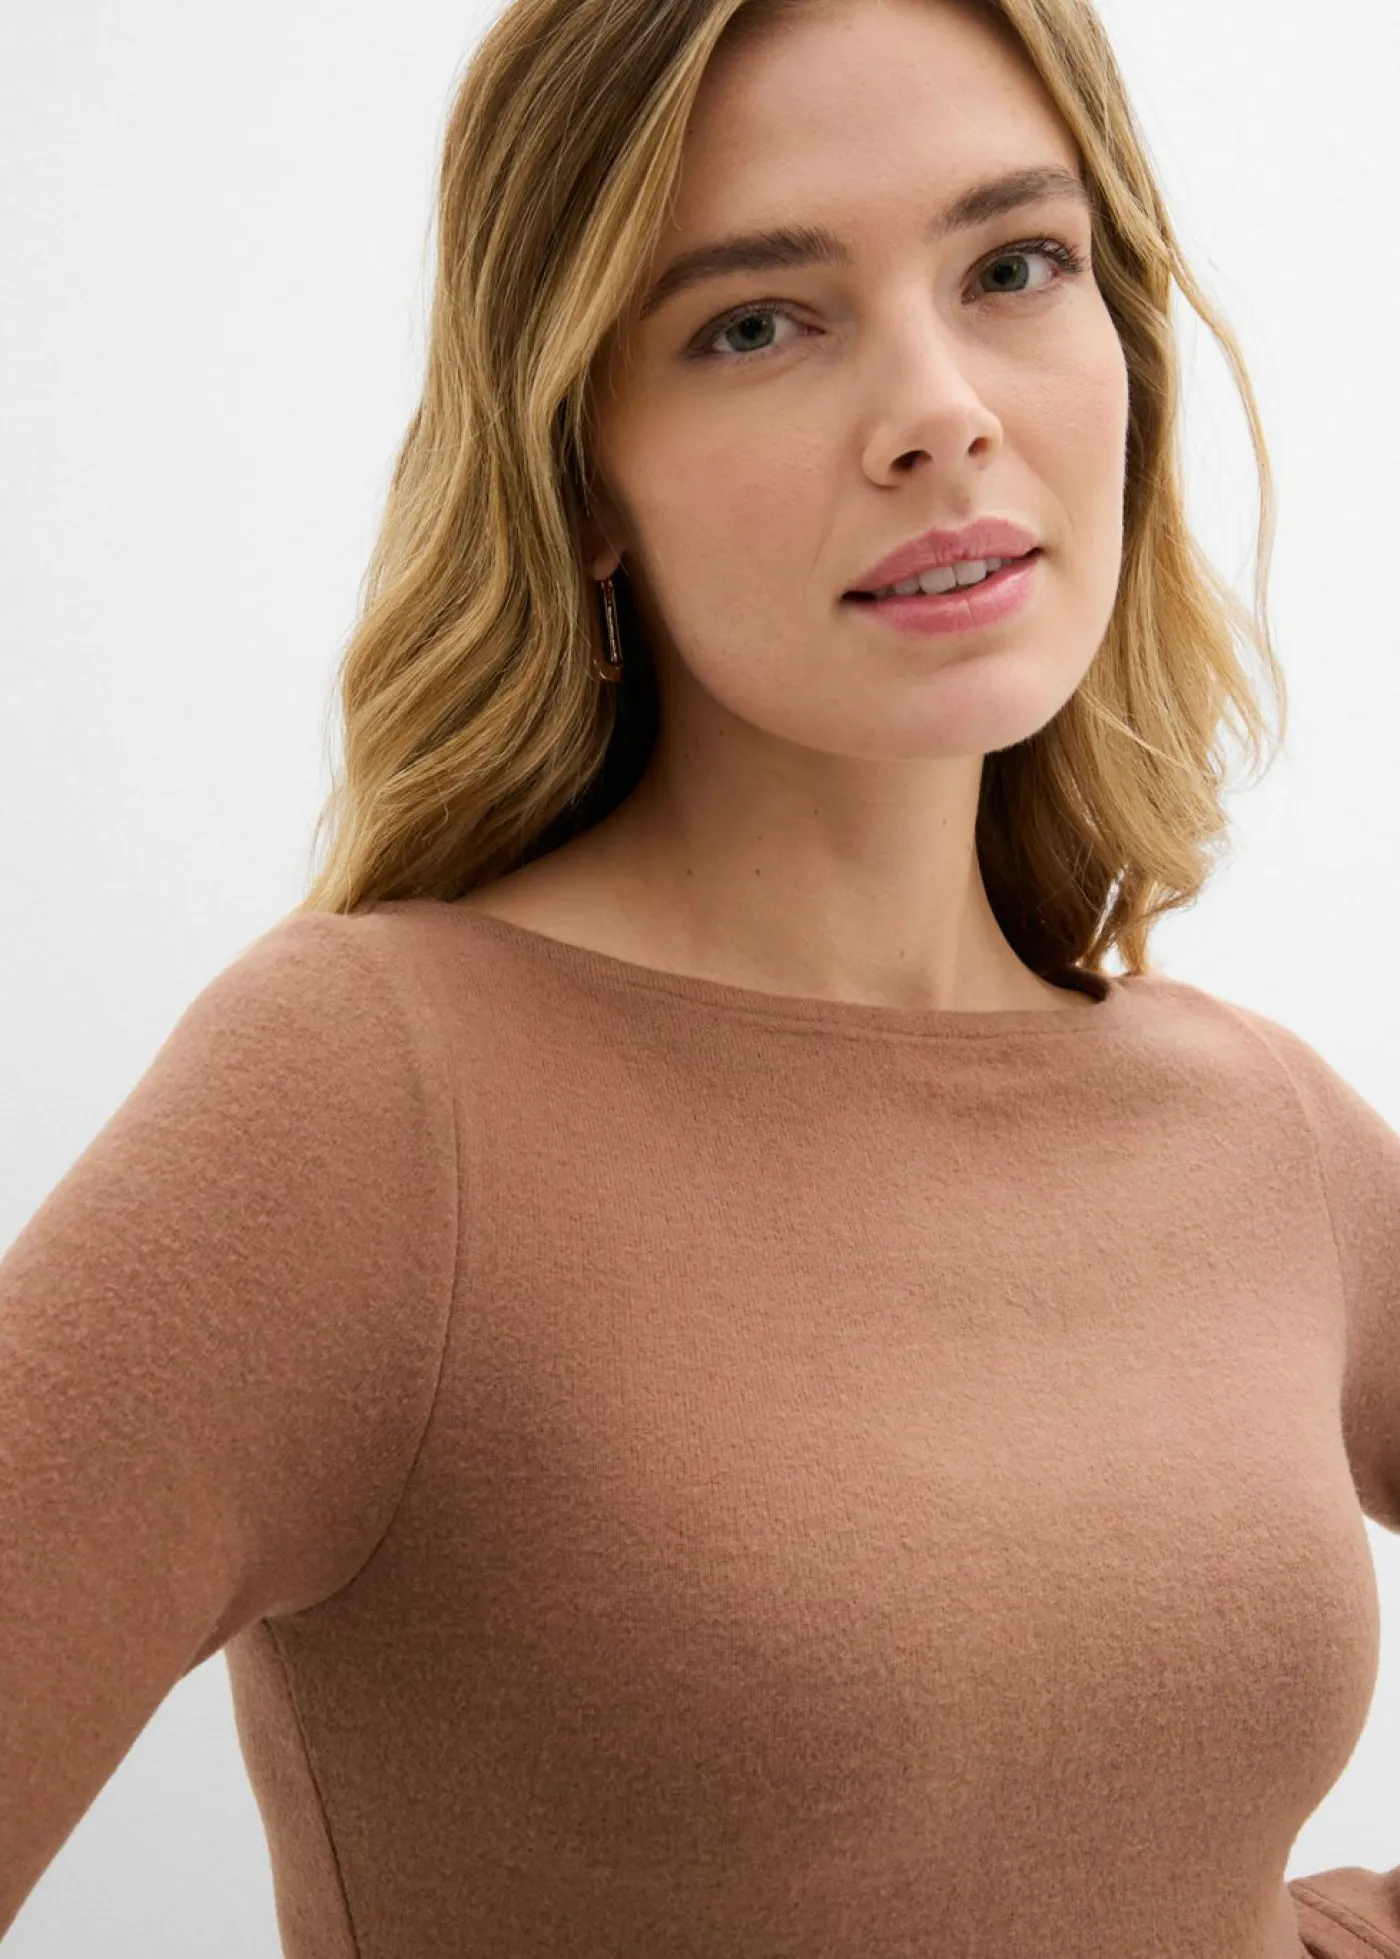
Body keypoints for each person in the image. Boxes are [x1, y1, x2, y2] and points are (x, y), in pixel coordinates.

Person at [3, 0, 1397, 1954]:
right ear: (579, 469)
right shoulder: (372, 1098)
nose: (938, 411)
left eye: (1013, 266)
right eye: (757, 322)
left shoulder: (1262, 1134)